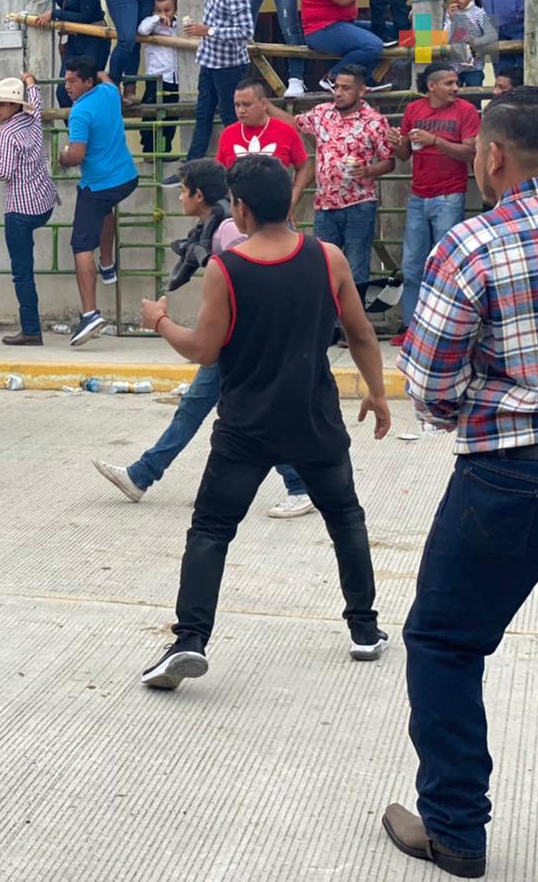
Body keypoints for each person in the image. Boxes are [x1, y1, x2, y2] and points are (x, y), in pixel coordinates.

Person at [384, 85, 538, 881]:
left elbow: (431, 386)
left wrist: (486, 401)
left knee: (443, 643)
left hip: (507, 478)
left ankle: (457, 832)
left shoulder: (473, 244)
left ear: (493, 155)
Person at [136, 153, 392, 692]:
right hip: (314, 418)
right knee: (345, 517)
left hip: (246, 426)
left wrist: (159, 320)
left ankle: (189, 640)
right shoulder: (329, 258)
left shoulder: (228, 268)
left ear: (242, 209)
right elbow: (363, 335)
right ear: (292, 201)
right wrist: (377, 392)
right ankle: (365, 630)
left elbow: (204, 350)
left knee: (210, 530)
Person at [93, 158, 315, 518]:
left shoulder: (226, 230)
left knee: (250, 417)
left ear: (199, 195)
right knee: (199, 407)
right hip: (235, 337)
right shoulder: (213, 227)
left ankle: (299, 485)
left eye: (183, 191)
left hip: (240, 340)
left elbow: (245, 280)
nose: (179, 197)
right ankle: (142, 475)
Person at [266, 63, 395, 293]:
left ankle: (353, 327)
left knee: (356, 269)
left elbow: (389, 161)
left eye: (346, 88)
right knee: (323, 268)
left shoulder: (375, 121)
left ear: (361, 91)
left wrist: (368, 171)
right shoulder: (322, 112)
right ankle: (329, 326)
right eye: (336, 87)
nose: (338, 92)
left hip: (359, 205)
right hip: (324, 206)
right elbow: (296, 123)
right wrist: (265, 106)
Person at [389, 63, 480, 346]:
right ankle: (410, 326)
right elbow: (404, 155)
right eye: (450, 83)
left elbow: (470, 152)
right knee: (413, 265)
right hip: (418, 196)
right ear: (432, 86)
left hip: (450, 195)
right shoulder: (413, 110)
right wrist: (395, 142)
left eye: (457, 83)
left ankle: (444, 329)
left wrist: (435, 140)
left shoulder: (465, 110)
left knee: (446, 267)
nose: (456, 88)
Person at [58, 56, 138, 346]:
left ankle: (90, 313)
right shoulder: (107, 92)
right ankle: (107, 263)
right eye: (66, 80)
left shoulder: (80, 112)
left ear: (87, 82)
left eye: (73, 81)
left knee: (80, 245)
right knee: (104, 211)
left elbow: (76, 156)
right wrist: (101, 73)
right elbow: (109, 80)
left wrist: (61, 155)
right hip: (126, 178)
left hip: (98, 185)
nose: (67, 86)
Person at [0, 72, 58, 346]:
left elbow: (5, 172)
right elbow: (37, 103)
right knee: (25, 271)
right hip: (42, 203)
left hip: (19, 209)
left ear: (14, 106)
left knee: (22, 273)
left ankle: (31, 330)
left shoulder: (7, 132)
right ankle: (31, 328)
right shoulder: (32, 120)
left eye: (1, 104)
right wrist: (31, 83)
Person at [174, 0, 254, 168]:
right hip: (209, 59)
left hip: (229, 65)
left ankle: (236, 168)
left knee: (231, 119)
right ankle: (191, 168)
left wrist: (207, 31)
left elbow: (246, 32)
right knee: (203, 116)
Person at [215, 78, 309, 219]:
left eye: (247, 104)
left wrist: (292, 200)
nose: (241, 110)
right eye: (237, 105)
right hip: (239, 215)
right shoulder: (228, 134)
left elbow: (304, 167)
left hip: (276, 214)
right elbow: (219, 172)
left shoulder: (286, 131)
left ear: (264, 104)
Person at [35, 0, 111, 109]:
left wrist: (55, 13)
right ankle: (75, 132)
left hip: (93, 37)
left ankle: (92, 133)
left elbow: (86, 15)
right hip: (73, 39)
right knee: (63, 92)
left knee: (87, 89)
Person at [137, 0, 180, 160]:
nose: (164, 14)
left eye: (167, 10)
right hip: (155, 77)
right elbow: (142, 30)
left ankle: (164, 150)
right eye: (159, 10)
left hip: (174, 78)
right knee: (151, 115)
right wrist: (156, 18)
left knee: (171, 115)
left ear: (175, 9)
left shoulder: (179, 26)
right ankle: (149, 151)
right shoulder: (151, 23)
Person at [444, 0, 494, 90]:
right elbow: (445, 39)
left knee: (474, 97)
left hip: (474, 68)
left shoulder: (479, 13)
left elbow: (490, 35)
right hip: (453, 67)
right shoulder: (449, 14)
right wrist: (451, 21)